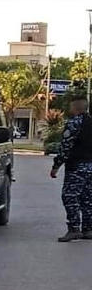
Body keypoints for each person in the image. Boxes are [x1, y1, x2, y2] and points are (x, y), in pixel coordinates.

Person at [50, 96, 92, 242]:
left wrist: (56, 166)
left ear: (75, 108)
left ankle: (74, 229)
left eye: (71, 107)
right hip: (90, 166)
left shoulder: (74, 123)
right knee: (87, 198)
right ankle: (88, 229)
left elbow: (65, 147)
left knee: (69, 196)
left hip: (77, 167)